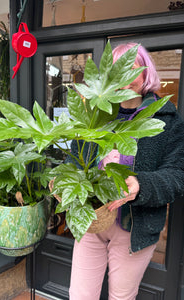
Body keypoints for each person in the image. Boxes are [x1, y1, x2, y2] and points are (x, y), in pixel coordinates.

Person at [68, 43, 184, 300]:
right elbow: (74, 158)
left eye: (132, 69)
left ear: (146, 73)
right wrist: (64, 181)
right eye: (116, 72)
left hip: (135, 226)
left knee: (122, 296)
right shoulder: (96, 114)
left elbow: (177, 176)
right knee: (79, 295)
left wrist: (140, 184)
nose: (124, 78)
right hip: (92, 218)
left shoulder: (167, 120)